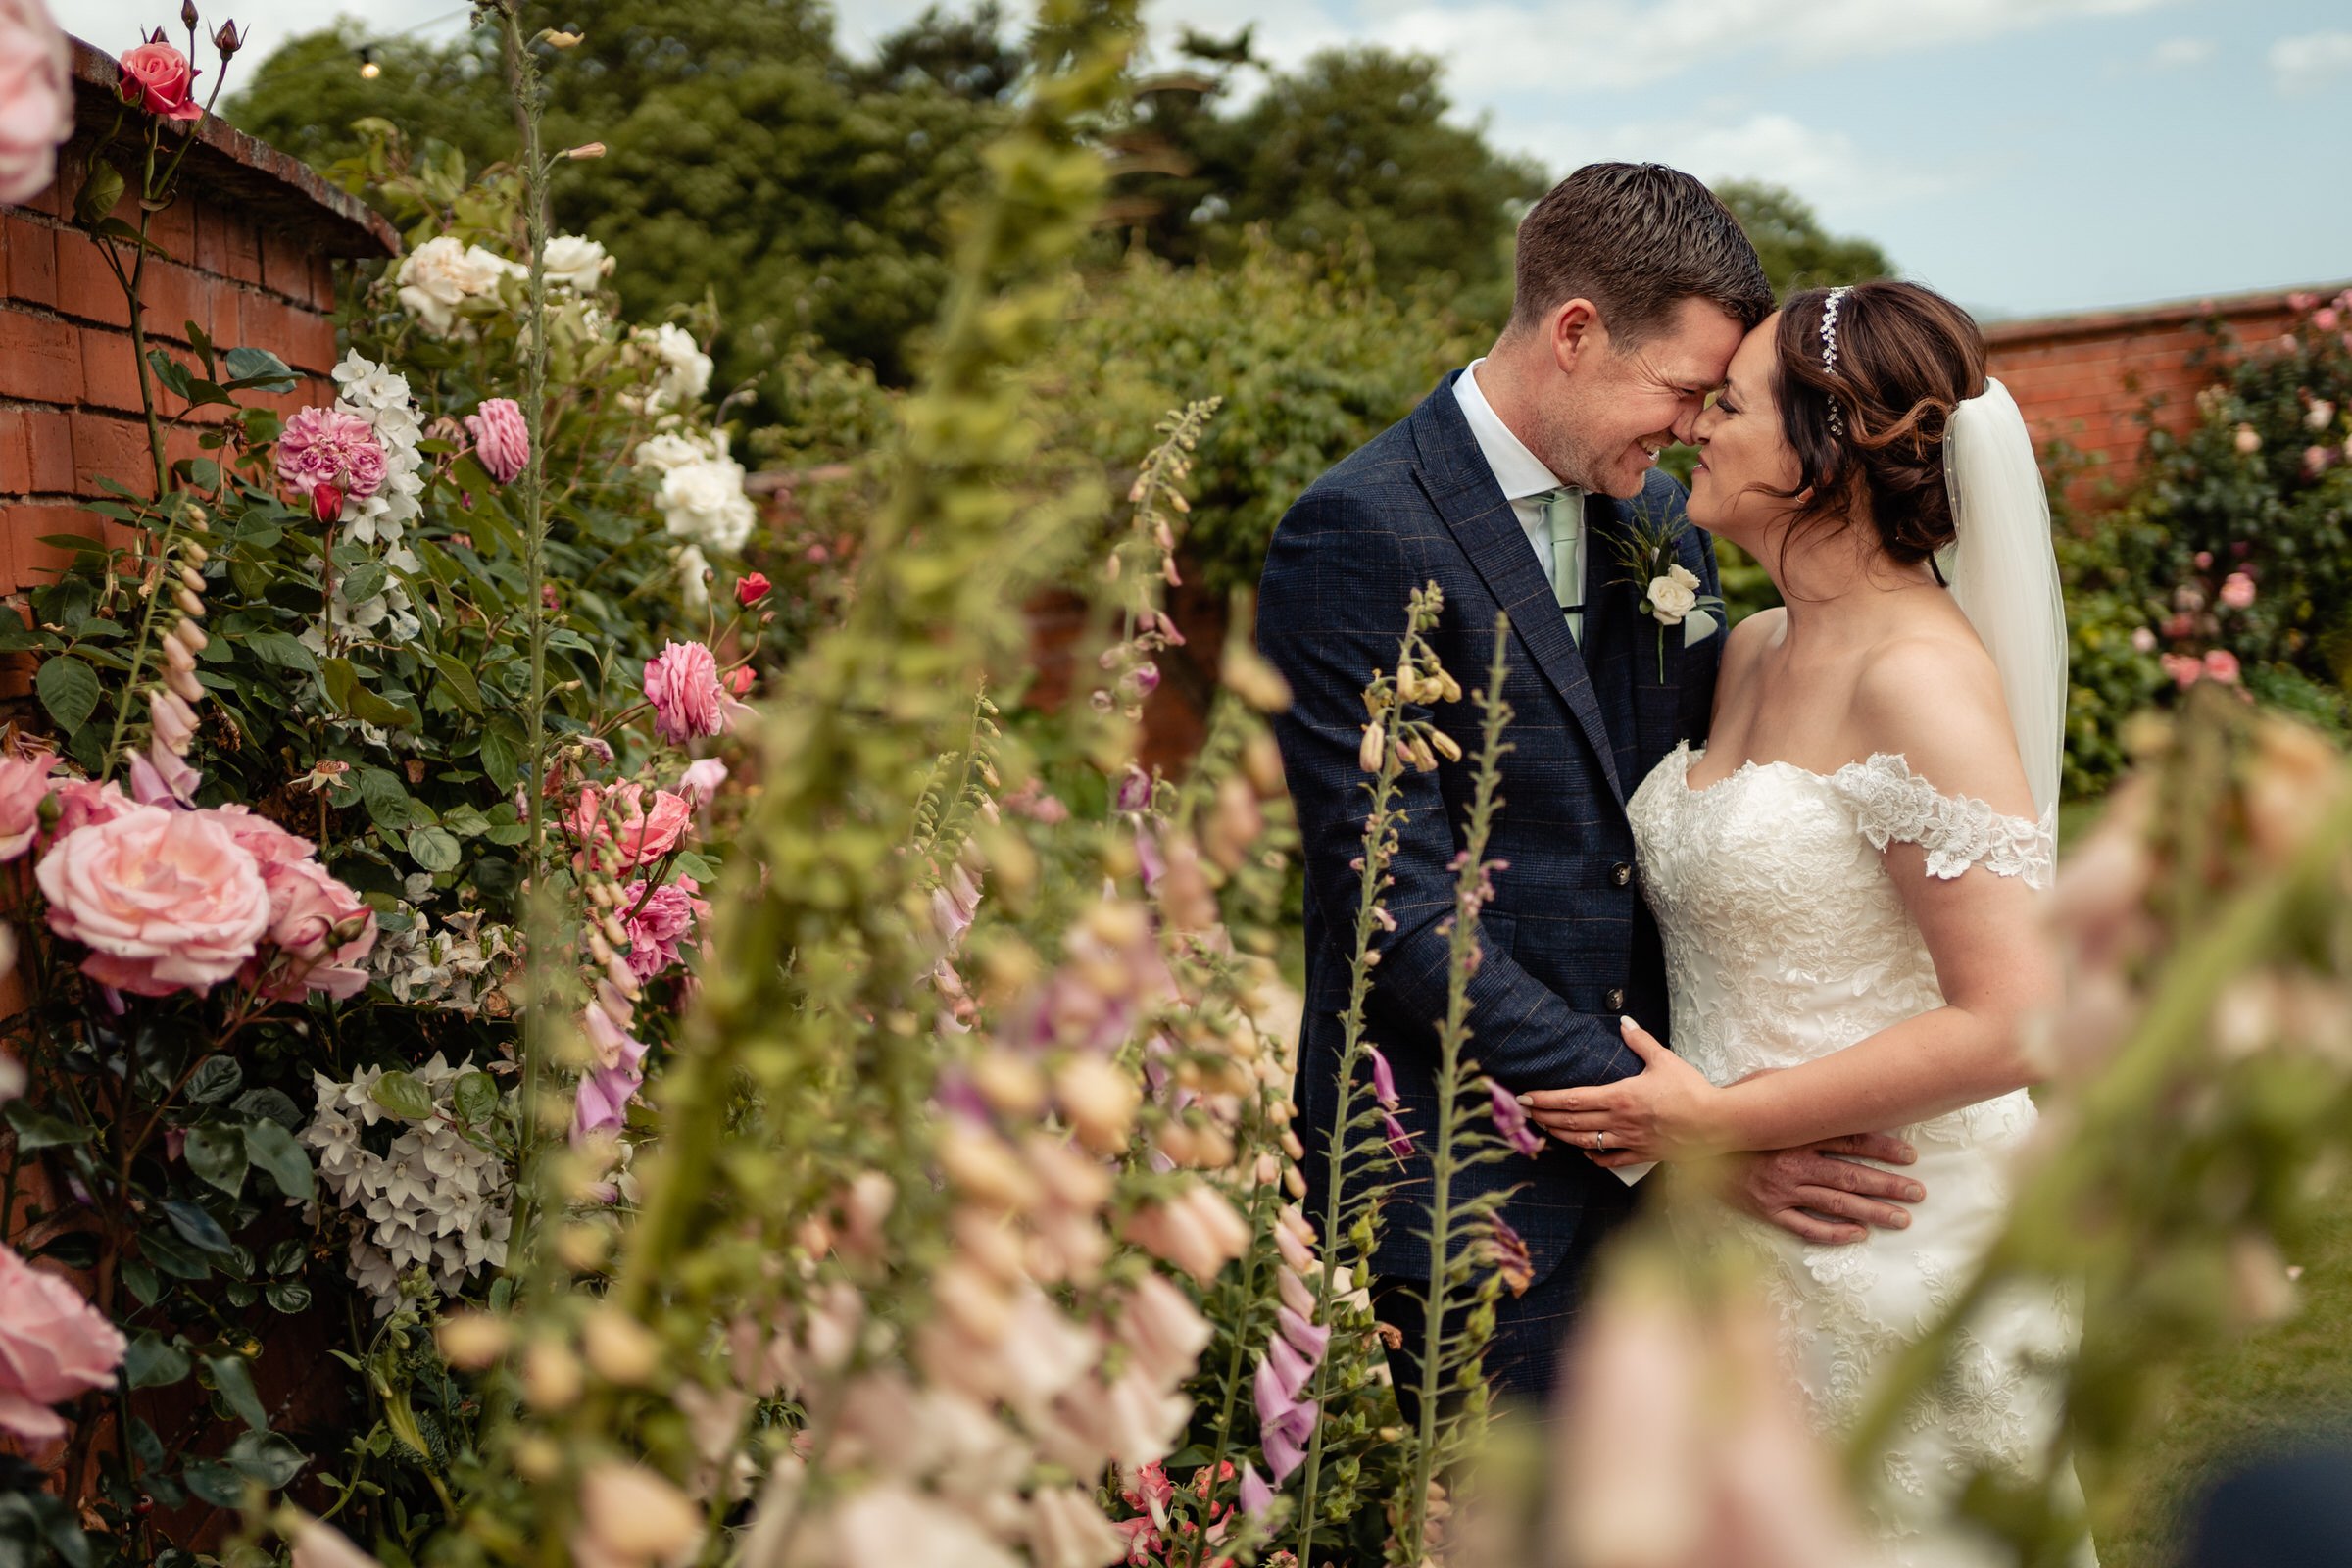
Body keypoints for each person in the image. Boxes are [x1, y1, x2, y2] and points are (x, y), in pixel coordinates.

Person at [1256, 165, 1930, 1413]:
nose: (1691, 426)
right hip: (1474, 1178)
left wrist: (1723, 1109)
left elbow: (1683, 821)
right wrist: (1671, 1126)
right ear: (1576, 333)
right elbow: (1391, 910)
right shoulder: (1354, 529)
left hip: (1696, 1168)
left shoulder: (1664, 525)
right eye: (1683, 389)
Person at [1521, 280, 2088, 1565]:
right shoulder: (1756, 646)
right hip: (1732, 1233)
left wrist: (1719, 1122)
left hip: (1890, 1225)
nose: (1696, 430)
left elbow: (2021, 1016)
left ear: (1823, 452)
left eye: (1730, 405)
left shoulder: (1918, 678)